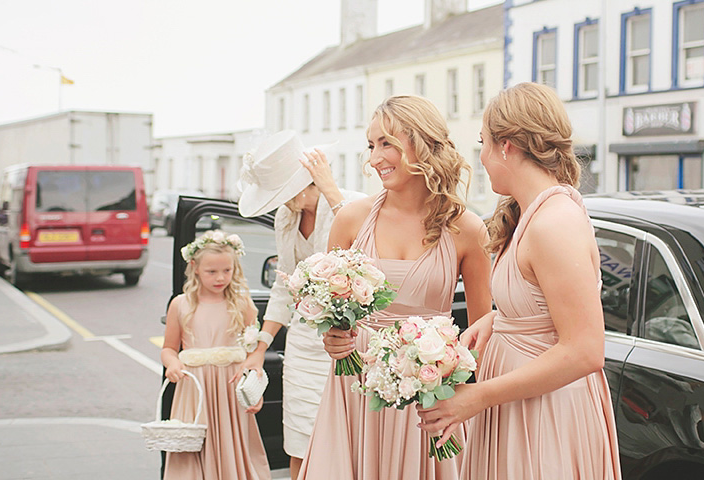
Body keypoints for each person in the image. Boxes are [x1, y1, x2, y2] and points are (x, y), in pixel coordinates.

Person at [417, 82, 621, 480]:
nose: (481, 157)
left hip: (547, 416)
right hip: (519, 408)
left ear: (507, 146)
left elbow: (584, 350)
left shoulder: (554, 222)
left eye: (484, 142)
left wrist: (477, 397)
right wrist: (498, 320)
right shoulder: (530, 215)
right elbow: (543, 306)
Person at [297, 94, 493, 480]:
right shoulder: (351, 220)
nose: (375, 158)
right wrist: (335, 338)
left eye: (387, 143)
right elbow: (335, 319)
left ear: (422, 142)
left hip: (429, 393)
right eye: (372, 145)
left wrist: (473, 405)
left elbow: (481, 337)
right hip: (357, 390)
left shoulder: (467, 229)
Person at [236, 129, 364, 480]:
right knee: (299, 443)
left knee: (347, 442)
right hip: (302, 348)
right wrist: (260, 347)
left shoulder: (350, 202)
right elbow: (283, 286)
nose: (279, 201)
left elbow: (368, 263)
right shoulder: (285, 217)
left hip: (347, 343)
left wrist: (329, 188)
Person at [161, 229, 272, 480]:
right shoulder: (180, 304)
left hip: (230, 389)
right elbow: (169, 347)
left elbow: (253, 354)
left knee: (231, 443)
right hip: (194, 389)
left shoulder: (243, 304)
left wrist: (255, 391)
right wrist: (172, 364)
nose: (220, 278)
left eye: (227, 270)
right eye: (212, 272)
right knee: (192, 446)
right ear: (195, 268)